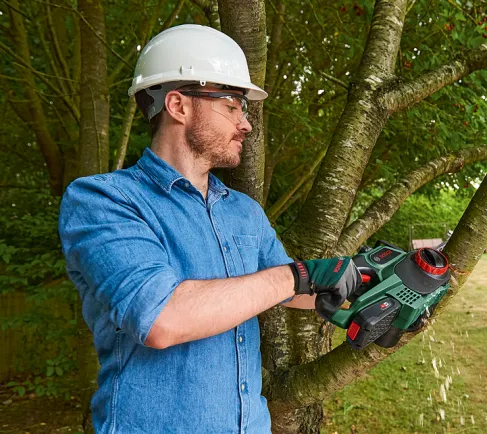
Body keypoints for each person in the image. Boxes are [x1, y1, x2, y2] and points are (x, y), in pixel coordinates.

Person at [58, 24, 360, 433]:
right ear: (178, 105)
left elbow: (292, 290)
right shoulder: (103, 200)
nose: (246, 124)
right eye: (233, 105)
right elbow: (159, 317)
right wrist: (297, 275)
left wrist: (365, 289)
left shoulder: (244, 211)